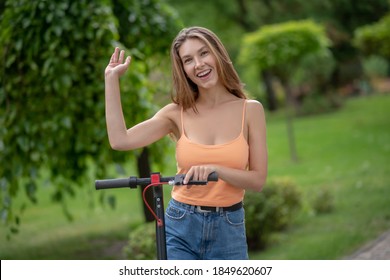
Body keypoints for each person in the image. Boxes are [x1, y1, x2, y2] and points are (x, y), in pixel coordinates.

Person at [104, 26, 267, 260]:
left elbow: (258, 180)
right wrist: (111, 81)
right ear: (184, 70)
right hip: (181, 225)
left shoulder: (250, 110)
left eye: (204, 53)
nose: (198, 64)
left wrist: (216, 170)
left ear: (218, 54)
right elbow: (120, 140)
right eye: (188, 60)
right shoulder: (176, 114)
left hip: (229, 229)